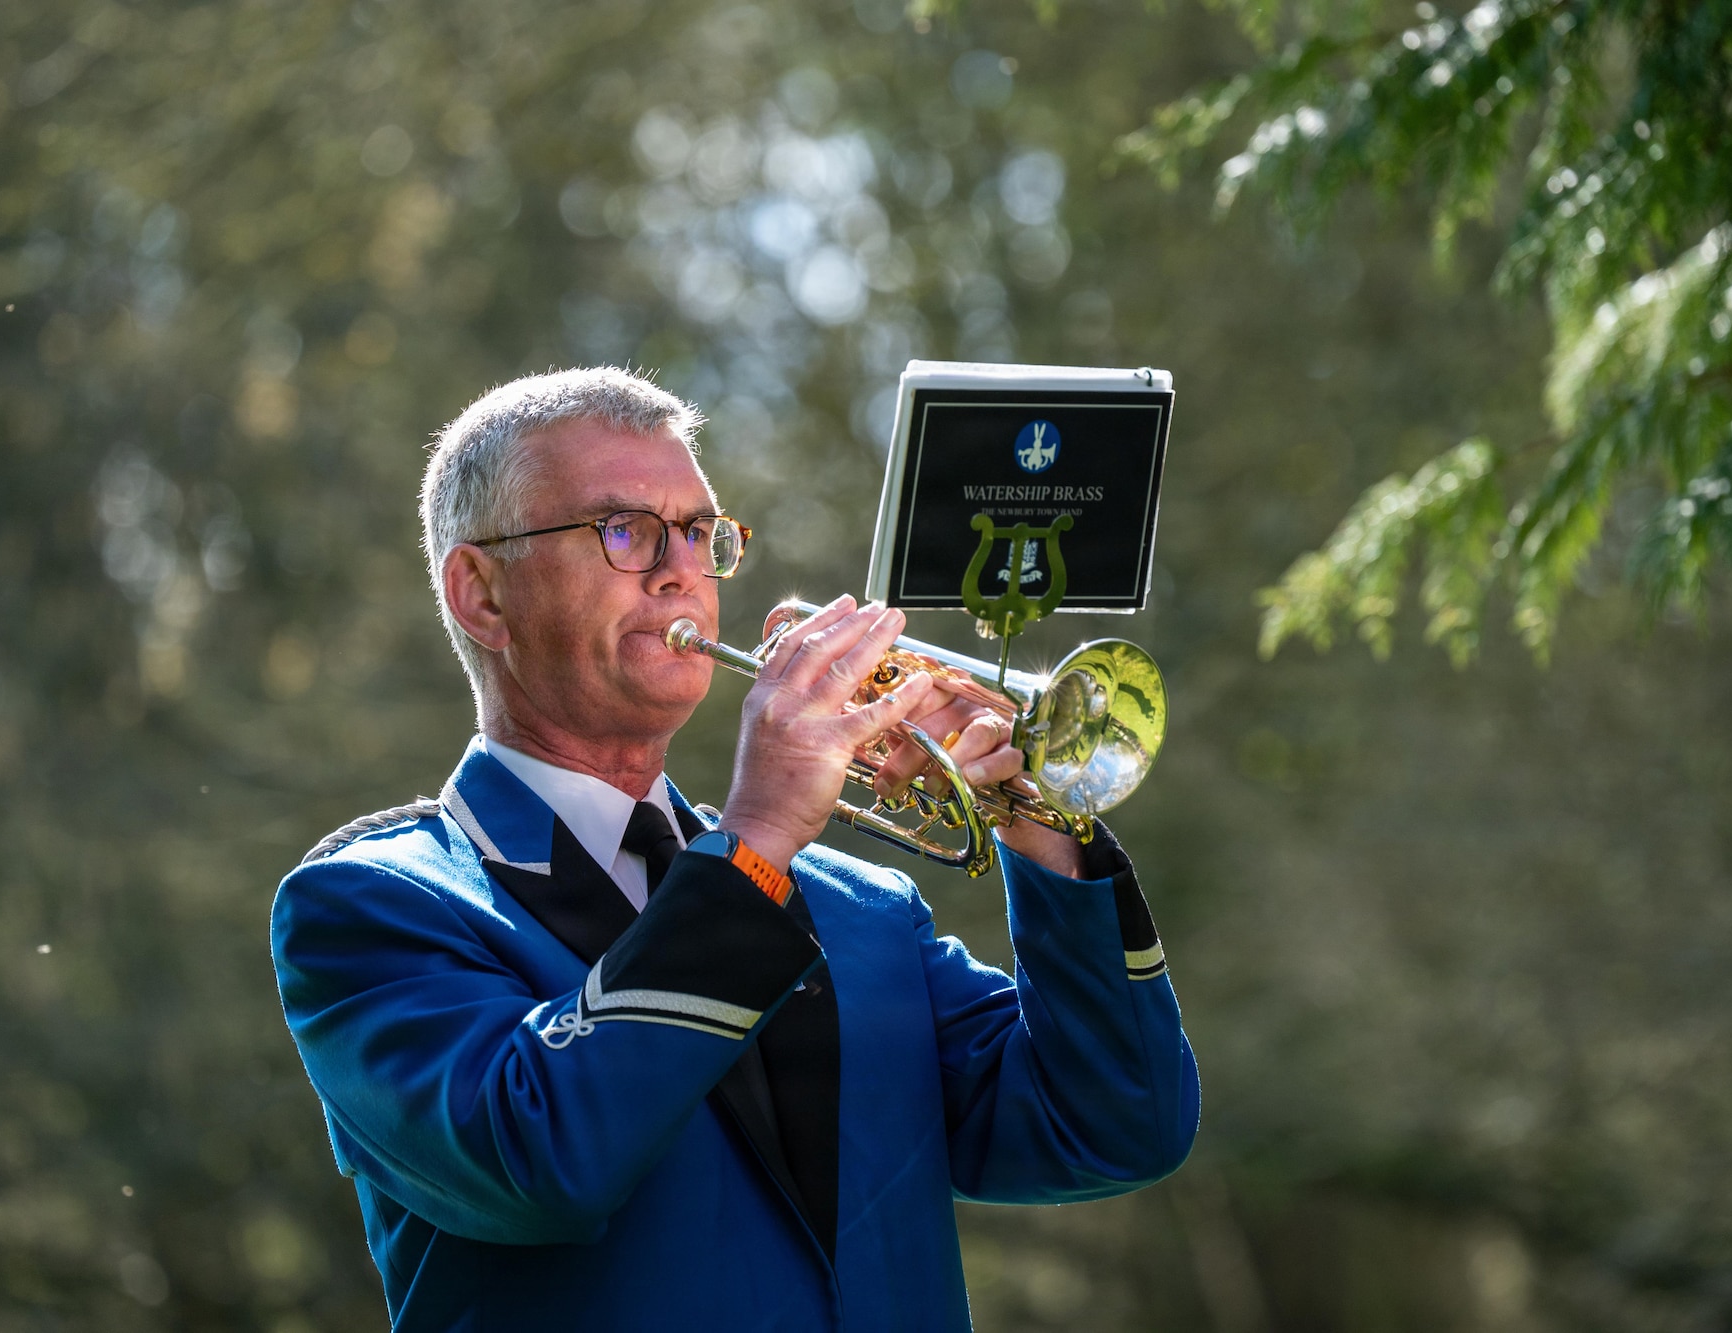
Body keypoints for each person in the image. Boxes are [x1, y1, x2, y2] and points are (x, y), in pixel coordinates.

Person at [270, 367, 1199, 1331]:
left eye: (700, 534)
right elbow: (540, 1162)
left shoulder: (862, 909)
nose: (680, 570)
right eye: (621, 530)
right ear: (483, 594)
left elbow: (1121, 1123)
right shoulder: (372, 904)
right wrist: (755, 836)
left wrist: (1033, 809)